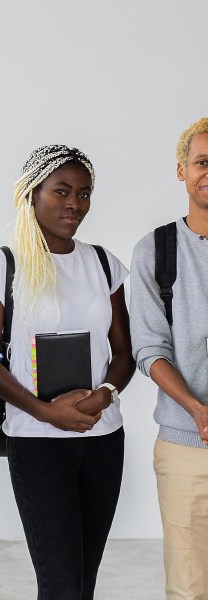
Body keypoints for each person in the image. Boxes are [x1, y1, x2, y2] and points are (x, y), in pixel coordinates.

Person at [0, 145, 135, 600]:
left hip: (102, 439)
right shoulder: (3, 264)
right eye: (61, 191)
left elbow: (124, 353)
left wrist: (104, 394)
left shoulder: (104, 264)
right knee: (60, 584)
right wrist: (45, 412)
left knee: (83, 582)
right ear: (31, 194)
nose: (74, 204)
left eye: (84, 194)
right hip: (37, 443)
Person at [130, 117, 208, 599]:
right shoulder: (156, 251)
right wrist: (197, 411)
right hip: (185, 447)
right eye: (202, 161)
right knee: (189, 584)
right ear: (182, 170)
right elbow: (149, 348)